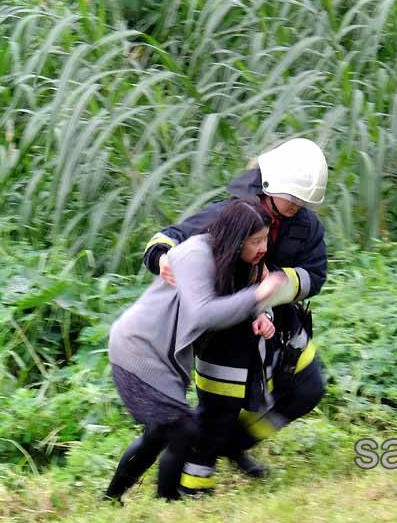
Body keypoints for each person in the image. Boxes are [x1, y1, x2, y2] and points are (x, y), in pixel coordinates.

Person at [140, 138, 330, 491]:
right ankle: (191, 485)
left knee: (309, 388)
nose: (298, 206)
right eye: (293, 198)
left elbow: (315, 275)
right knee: (217, 414)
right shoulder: (230, 217)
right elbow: (167, 238)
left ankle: (234, 444)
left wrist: (277, 285)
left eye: (303, 200)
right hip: (228, 334)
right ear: (271, 187)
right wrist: (162, 259)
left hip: (280, 328)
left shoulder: (306, 227)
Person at [105, 198, 287, 502]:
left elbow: (233, 302)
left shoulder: (236, 260)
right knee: (183, 431)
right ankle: (168, 501)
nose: (263, 247)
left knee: (159, 434)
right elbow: (202, 312)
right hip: (138, 349)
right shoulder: (195, 253)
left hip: (160, 358)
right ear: (238, 236)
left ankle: (112, 499)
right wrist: (257, 296)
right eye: (256, 240)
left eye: (265, 238)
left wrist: (262, 316)